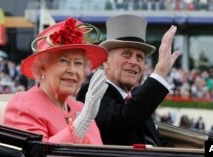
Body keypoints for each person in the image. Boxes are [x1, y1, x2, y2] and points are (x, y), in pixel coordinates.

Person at [76, 14, 181, 146]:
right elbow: (124, 121)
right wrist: (159, 73)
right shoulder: (92, 92)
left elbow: (158, 143)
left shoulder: (136, 100)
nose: (133, 62)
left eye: (139, 58)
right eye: (126, 54)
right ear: (106, 61)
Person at [3, 17, 109, 145]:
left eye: (78, 63)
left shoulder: (81, 108)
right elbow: (36, 153)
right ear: (43, 67)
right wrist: (81, 123)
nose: (72, 70)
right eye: (63, 61)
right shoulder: (23, 104)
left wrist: (85, 116)